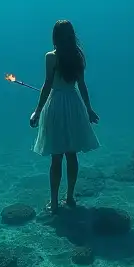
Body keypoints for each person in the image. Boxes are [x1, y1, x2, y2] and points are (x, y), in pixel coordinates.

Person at [30, 19, 100, 212]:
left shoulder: (50, 57)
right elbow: (82, 86)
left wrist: (37, 111)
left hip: (55, 106)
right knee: (71, 154)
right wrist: (88, 109)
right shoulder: (78, 56)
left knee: (56, 157)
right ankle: (69, 197)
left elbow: (47, 85)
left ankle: (54, 203)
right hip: (73, 104)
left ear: (55, 37)